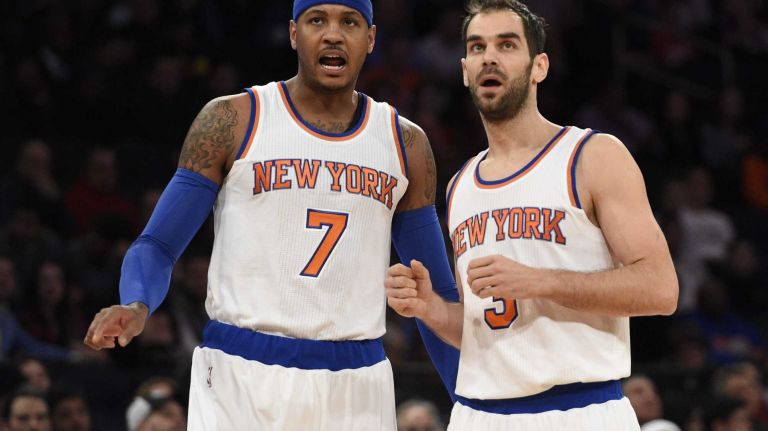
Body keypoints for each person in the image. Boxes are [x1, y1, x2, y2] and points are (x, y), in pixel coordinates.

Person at [83, 1, 458, 429]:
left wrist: (467, 405)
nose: (333, 34)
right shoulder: (232, 120)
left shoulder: (405, 143)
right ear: (294, 34)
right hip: (240, 374)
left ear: (370, 39)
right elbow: (159, 244)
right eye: (317, 20)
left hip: (357, 381)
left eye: (349, 22)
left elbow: (437, 294)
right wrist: (137, 303)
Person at [385, 0, 678, 429]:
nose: (489, 56)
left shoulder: (592, 156)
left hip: (581, 410)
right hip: (479, 415)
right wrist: (430, 308)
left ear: (539, 66)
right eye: (478, 47)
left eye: (506, 45)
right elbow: (484, 328)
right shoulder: (461, 184)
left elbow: (661, 289)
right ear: (465, 70)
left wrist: (541, 280)